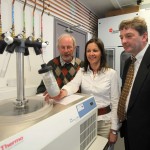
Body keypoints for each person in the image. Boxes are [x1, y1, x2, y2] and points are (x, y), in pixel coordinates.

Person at [45, 38, 120, 149]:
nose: (91, 54)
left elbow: (115, 102)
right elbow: (73, 85)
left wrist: (114, 130)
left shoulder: (111, 74)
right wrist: (62, 92)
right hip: (86, 119)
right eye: (88, 51)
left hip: (104, 122)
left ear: (101, 53)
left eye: (95, 50)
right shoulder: (82, 71)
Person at [117, 16, 150, 150]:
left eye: (129, 36)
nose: (124, 41)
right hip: (129, 131)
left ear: (144, 37)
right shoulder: (128, 62)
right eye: (121, 37)